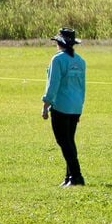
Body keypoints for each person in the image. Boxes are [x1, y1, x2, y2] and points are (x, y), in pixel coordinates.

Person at [41, 28, 86, 187]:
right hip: (75, 107)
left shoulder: (57, 60)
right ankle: (69, 177)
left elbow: (53, 84)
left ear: (59, 43)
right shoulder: (80, 61)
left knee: (63, 141)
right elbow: (82, 87)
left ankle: (77, 176)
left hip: (61, 106)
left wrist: (46, 105)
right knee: (69, 141)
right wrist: (80, 107)